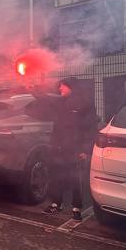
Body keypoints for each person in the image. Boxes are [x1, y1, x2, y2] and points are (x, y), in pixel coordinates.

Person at [34, 77, 98, 221]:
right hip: (59, 147)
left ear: (71, 87)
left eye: (62, 86)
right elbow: (45, 99)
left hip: (75, 148)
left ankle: (76, 207)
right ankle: (56, 203)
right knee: (57, 176)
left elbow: (90, 129)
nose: (60, 89)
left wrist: (85, 149)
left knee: (76, 178)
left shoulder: (86, 104)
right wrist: (32, 87)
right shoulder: (61, 102)